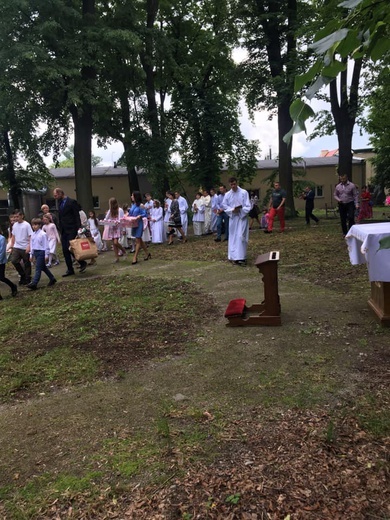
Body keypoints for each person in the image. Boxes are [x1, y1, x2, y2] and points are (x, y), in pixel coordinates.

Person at [53, 187, 88, 276]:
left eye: (56, 195)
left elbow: (76, 216)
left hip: (72, 228)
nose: (55, 197)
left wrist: (78, 228)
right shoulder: (60, 203)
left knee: (71, 248)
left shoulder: (71, 202)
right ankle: (70, 269)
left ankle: (81, 262)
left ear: (60, 193)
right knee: (65, 250)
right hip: (64, 230)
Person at [223, 177, 251, 266]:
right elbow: (224, 205)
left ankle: (242, 257)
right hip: (233, 219)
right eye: (231, 184)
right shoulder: (227, 194)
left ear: (237, 183)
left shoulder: (244, 192)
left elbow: (248, 205)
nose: (233, 186)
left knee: (241, 236)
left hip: (241, 218)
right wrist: (232, 210)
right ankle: (234, 256)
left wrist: (240, 210)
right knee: (233, 237)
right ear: (229, 185)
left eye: (234, 184)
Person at [26, 218, 57, 290]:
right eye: (33, 225)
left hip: (41, 252)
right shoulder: (33, 234)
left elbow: (46, 245)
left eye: (36, 225)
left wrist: (46, 254)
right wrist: (31, 254)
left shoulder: (43, 234)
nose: (34, 226)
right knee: (43, 267)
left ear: (39, 225)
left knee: (38, 268)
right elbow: (32, 245)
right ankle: (52, 278)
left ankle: (34, 282)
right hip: (36, 252)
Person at [9, 210, 33, 285]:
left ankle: (27, 278)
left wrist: (29, 246)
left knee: (27, 263)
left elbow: (30, 236)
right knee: (14, 260)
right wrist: (12, 246)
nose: (16, 218)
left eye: (18, 216)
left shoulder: (26, 225)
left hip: (25, 246)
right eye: (15, 217)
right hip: (17, 246)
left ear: (22, 216)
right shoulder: (15, 225)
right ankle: (22, 274)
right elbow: (13, 236)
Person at [129, 191, 150, 264]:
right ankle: (147, 253)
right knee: (139, 239)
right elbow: (130, 214)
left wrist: (139, 216)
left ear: (136, 197)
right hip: (134, 223)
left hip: (139, 223)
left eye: (132, 195)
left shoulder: (141, 205)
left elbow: (144, 214)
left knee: (137, 240)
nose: (131, 197)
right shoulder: (133, 205)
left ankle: (135, 257)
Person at [104, 197, 127, 263]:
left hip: (117, 228)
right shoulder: (110, 210)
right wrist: (107, 221)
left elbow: (121, 219)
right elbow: (106, 218)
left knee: (116, 242)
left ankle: (123, 250)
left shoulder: (119, 210)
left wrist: (121, 226)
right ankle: (117, 257)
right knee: (114, 244)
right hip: (112, 228)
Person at [0, 225, 18, 299]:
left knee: (1, 277)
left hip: (0, 261)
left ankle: (13, 286)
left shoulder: (2, 238)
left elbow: (2, 251)